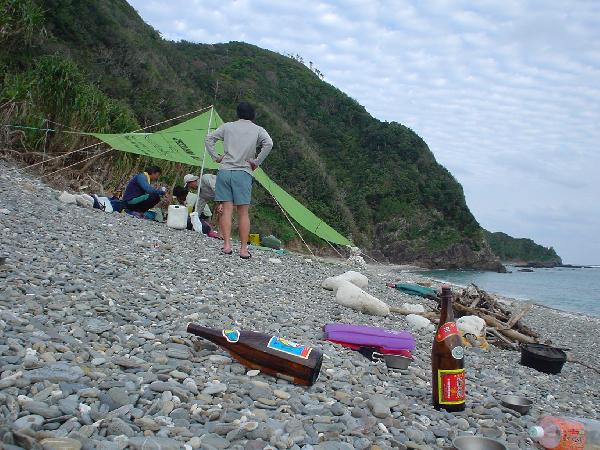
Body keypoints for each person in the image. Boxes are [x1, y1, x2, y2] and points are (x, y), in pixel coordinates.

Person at [205, 102, 273, 259]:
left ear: (238, 113)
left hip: (225, 171)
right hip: (243, 172)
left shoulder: (227, 126)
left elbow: (209, 139)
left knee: (226, 210)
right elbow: (269, 143)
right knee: (243, 213)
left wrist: (216, 157)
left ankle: (227, 246)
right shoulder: (258, 129)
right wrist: (256, 162)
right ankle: (243, 250)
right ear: (253, 114)